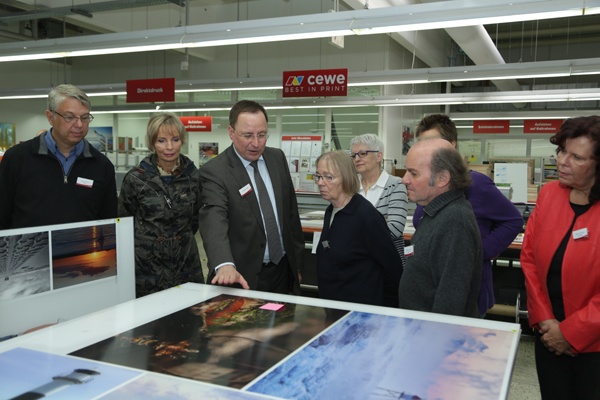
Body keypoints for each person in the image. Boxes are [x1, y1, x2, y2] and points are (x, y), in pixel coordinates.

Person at [521, 116, 600, 399]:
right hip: (548, 335)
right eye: (562, 151)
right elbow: (529, 259)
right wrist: (546, 321)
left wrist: (569, 333)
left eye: (576, 157)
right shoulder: (549, 194)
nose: (562, 162)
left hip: (594, 344)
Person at [413, 114, 522, 316]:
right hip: (432, 288)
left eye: (431, 143)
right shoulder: (427, 185)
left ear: (451, 146)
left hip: (467, 291)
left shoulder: (476, 184)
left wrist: (480, 251)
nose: (424, 150)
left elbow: (513, 220)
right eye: (421, 144)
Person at [198, 100, 304, 294]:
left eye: (261, 135)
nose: (256, 143)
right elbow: (214, 219)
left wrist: (296, 265)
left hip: (283, 272)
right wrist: (224, 264)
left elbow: (291, 215)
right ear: (231, 133)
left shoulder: (277, 158)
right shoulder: (215, 171)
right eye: (247, 135)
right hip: (241, 275)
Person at [0, 84, 117, 230]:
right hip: (30, 245)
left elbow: (109, 222)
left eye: (85, 117)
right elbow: (2, 215)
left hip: (83, 245)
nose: (79, 124)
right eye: (70, 117)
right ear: (51, 117)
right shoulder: (16, 158)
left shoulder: (102, 165)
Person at [118, 113, 204, 297]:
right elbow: (125, 220)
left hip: (185, 264)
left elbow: (196, 218)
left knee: (189, 312)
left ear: (182, 140)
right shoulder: (136, 179)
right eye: (161, 141)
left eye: (175, 139)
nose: (169, 147)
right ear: (152, 143)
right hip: (147, 270)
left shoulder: (194, 177)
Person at [398, 139, 482, 317]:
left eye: (413, 173)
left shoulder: (455, 221)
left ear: (442, 178)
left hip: (434, 330)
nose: (404, 179)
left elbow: (450, 303)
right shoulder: (435, 212)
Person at [315, 150, 402, 307]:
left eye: (328, 177)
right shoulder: (331, 210)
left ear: (346, 177)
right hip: (334, 307)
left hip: (362, 311)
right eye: (319, 176)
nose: (321, 182)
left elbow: (392, 267)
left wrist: (388, 311)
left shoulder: (366, 216)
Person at [350, 134, 408, 265]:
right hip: (357, 265)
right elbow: (342, 226)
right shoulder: (351, 187)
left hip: (388, 265)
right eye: (353, 155)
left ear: (379, 156)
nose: (357, 159)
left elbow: (394, 229)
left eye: (362, 154)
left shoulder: (395, 185)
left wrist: (356, 226)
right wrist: (380, 221)